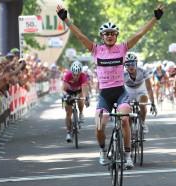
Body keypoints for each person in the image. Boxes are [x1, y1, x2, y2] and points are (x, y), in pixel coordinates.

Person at [57, 4, 164, 169]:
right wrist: (65, 19)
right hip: (104, 95)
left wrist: (155, 18)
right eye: (106, 34)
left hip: (121, 93)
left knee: (125, 119)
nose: (109, 36)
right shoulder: (96, 50)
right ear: (102, 36)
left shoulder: (122, 49)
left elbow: (140, 33)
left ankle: (127, 156)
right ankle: (102, 150)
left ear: (116, 36)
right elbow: (80, 36)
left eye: (113, 34)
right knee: (100, 124)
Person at [124, 52, 157, 133]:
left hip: (140, 89)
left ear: (136, 63)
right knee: (127, 109)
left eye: (133, 64)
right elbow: (118, 89)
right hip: (128, 90)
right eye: (128, 64)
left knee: (143, 104)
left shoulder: (143, 71)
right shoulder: (122, 74)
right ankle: (130, 129)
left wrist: (153, 103)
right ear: (124, 65)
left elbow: (149, 88)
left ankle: (143, 122)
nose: (131, 66)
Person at [62, 61, 90, 143]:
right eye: (74, 74)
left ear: (80, 73)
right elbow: (63, 89)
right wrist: (66, 96)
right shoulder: (67, 75)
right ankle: (68, 132)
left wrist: (85, 98)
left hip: (79, 91)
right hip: (69, 92)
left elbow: (84, 89)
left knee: (81, 98)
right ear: (72, 72)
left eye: (77, 74)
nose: (76, 76)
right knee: (68, 113)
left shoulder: (83, 76)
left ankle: (81, 113)